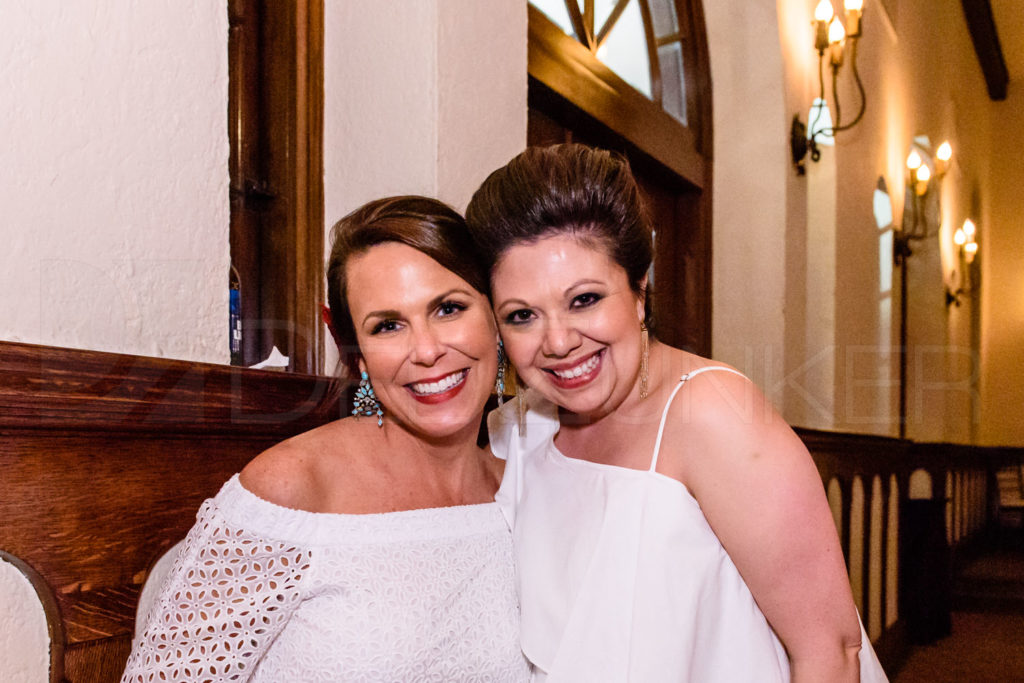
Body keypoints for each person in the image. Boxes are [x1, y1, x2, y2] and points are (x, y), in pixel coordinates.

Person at [465, 144, 888, 682]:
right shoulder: (518, 432)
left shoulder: (715, 416)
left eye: (585, 300)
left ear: (640, 288)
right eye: (522, 316)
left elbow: (830, 649)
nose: (558, 341)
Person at [122, 196, 531, 682]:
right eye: (388, 326)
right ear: (352, 350)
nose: (426, 350)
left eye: (448, 308)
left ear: (496, 316)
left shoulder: (521, 490)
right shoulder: (292, 489)